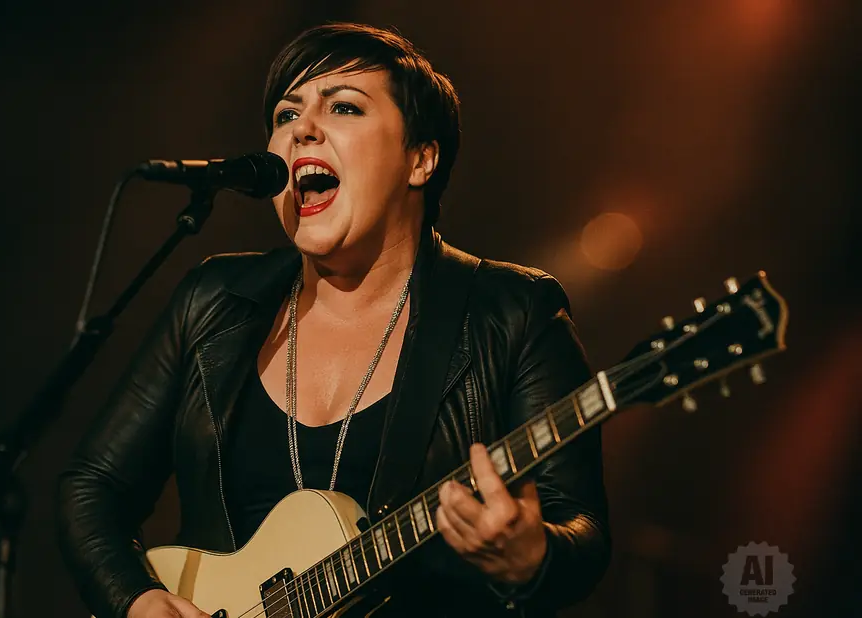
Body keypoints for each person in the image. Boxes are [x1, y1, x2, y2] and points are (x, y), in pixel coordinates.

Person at [57, 22, 610, 618]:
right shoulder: (214, 301)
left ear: (420, 159)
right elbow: (92, 487)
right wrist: (134, 601)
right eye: (285, 114)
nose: (303, 129)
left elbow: (580, 527)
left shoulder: (512, 312)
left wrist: (533, 557)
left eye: (343, 106)